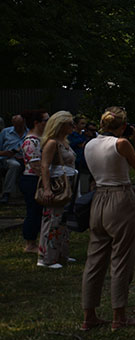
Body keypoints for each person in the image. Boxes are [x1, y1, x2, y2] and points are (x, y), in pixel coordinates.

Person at [81, 107, 135, 331]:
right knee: (121, 257)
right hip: (120, 198)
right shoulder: (121, 144)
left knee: (94, 259)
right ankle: (119, 316)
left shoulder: (89, 144)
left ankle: (88, 315)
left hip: (98, 197)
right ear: (122, 126)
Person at [37, 111, 77, 268]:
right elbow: (45, 166)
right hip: (57, 186)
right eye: (69, 124)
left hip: (68, 184)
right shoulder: (52, 143)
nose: (72, 127)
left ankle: (60, 253)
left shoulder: (64, 142)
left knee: (63, 221)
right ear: (60, 126)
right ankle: (46, 257)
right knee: (52, 220)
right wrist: (47, 189)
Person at [18, 109, 49, 254]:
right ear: (36, 123)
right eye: (45, 120)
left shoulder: (39, 140)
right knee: (33, 211)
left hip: (37, 179)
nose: (48, 123)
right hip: (32, 180)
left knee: (38, 211)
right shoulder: (30, 142)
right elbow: (36, 166)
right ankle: (30, 244)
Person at [0, 114, 27, 205]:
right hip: (9, 158)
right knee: (15, 165)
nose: (18, 127)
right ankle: (6, 193)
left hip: (25, 159)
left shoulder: (29, 133)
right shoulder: (5, 132)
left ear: (24, 123)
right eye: (16, 125)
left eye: (20, 125)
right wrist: (6, 153)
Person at [68, 115, 92, 195]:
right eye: (81, 123)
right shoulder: (71, 135)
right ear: (75, 124)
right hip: (76, 162)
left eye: (84, 123)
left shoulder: (85, 135)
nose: (84, 126)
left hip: (85, 162)